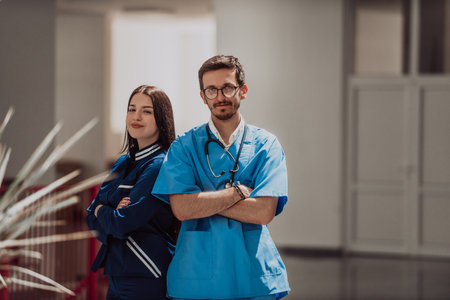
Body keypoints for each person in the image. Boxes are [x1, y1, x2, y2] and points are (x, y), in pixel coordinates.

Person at [152, 55, 290, 300]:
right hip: (195, 278)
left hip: (253, 276)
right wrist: (235, 193)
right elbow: (182, 208)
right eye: (211, 90)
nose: (220, 97)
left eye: (227, 87)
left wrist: (202, 203)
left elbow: (263, 212)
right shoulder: (184, 147)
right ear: (203, 96)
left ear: (243, 90)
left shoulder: (266, 146)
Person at [86, 85, 178, 300]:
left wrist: (101, 209)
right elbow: (90, 218)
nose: (136, 117)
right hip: (118, 270)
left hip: (146, 271)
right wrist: (104, 212)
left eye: (147, 111)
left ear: (161, 119)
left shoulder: (159, 165)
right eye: (131, 109)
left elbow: (123, 222)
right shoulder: (123, 162)